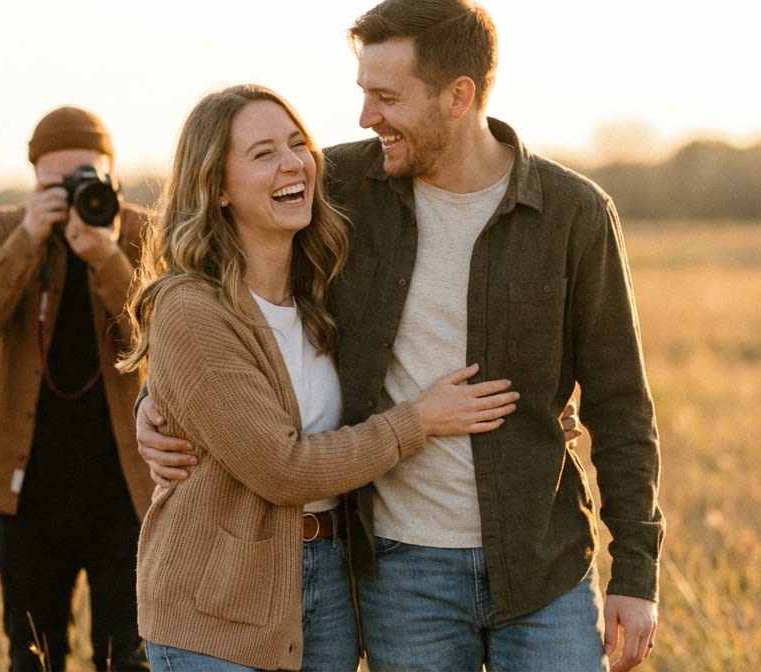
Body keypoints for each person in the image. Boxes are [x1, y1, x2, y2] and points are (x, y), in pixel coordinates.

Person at [139, 1, 665, 669]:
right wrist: (157, 403)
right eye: (364, 93)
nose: (366, 117)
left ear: (458, 97)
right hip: (398, 572)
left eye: (386, 98)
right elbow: (219, 286)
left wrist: (636, 574)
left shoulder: (573, 214)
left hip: (542, 566)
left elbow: (621, 405)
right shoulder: (341, 188)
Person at [117, 84, 519, 672]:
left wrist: (539, 402)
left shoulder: (326, 292)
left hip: (329, 586)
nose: (292, 163)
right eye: (263, 153)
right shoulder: (192, 309)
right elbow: (281, 469)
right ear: (218, 188)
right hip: (217, 604)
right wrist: (419, 422)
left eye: (297, 144)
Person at [0, 105, 152, 671]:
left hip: (127, 492)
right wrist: (27, 239)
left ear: (111, 173)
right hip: (30, 495)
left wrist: (106, 255)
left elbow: (165, 339)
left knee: (127, 657)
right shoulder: (5, 229)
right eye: (53, 185)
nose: (72, 194)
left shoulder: (142, 232)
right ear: (34, 183)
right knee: (33, 657)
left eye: (86, 179)